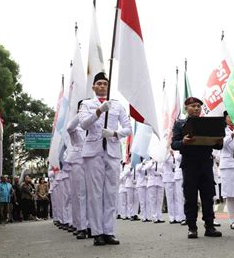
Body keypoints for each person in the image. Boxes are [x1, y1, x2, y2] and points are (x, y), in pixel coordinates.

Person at [79, 72, 132, 246]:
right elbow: (83, 124)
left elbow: (128, 128)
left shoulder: (117, 106)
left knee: (110, 192)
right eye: (99, 83)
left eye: (105, 84)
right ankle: (97, 232)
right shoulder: (87, 104)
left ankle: (109, 231)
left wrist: (115, 133)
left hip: (112, 149)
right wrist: (99, 111)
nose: (102, 86)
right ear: (93, 87)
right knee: (95, 193)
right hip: (93, 150)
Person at [171, 97, 223, 239]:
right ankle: (192, 227)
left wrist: (219, 141)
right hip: (190, 164)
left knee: (208, 195)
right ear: (186, 108)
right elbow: (174, 144)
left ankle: (210, 226)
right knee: (190, 196)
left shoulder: (207, 123)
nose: (196, 108)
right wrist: (184, 142)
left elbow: (217, 146)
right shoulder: (180, 124)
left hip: (206, 163)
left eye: (199, 106)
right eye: (193, 106)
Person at [66, 103, 88, 238]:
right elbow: (69, 127)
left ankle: (92, 225)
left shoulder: (92, 123)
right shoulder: (76, 124)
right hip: (78, 159)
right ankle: (81, 226)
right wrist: (81, 114)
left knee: (92, 194)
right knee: (79, 194)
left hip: (92, 158)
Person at [144, 159, 165, 223]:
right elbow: (146, 168)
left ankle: (160, 217)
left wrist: (161, 174)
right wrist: (152, 162)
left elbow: (164, 170)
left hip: (159, 180)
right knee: (153, 200)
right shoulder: (149, 162)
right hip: (152, 181)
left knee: (160, 200)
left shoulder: (161, 162)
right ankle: (154, 217)